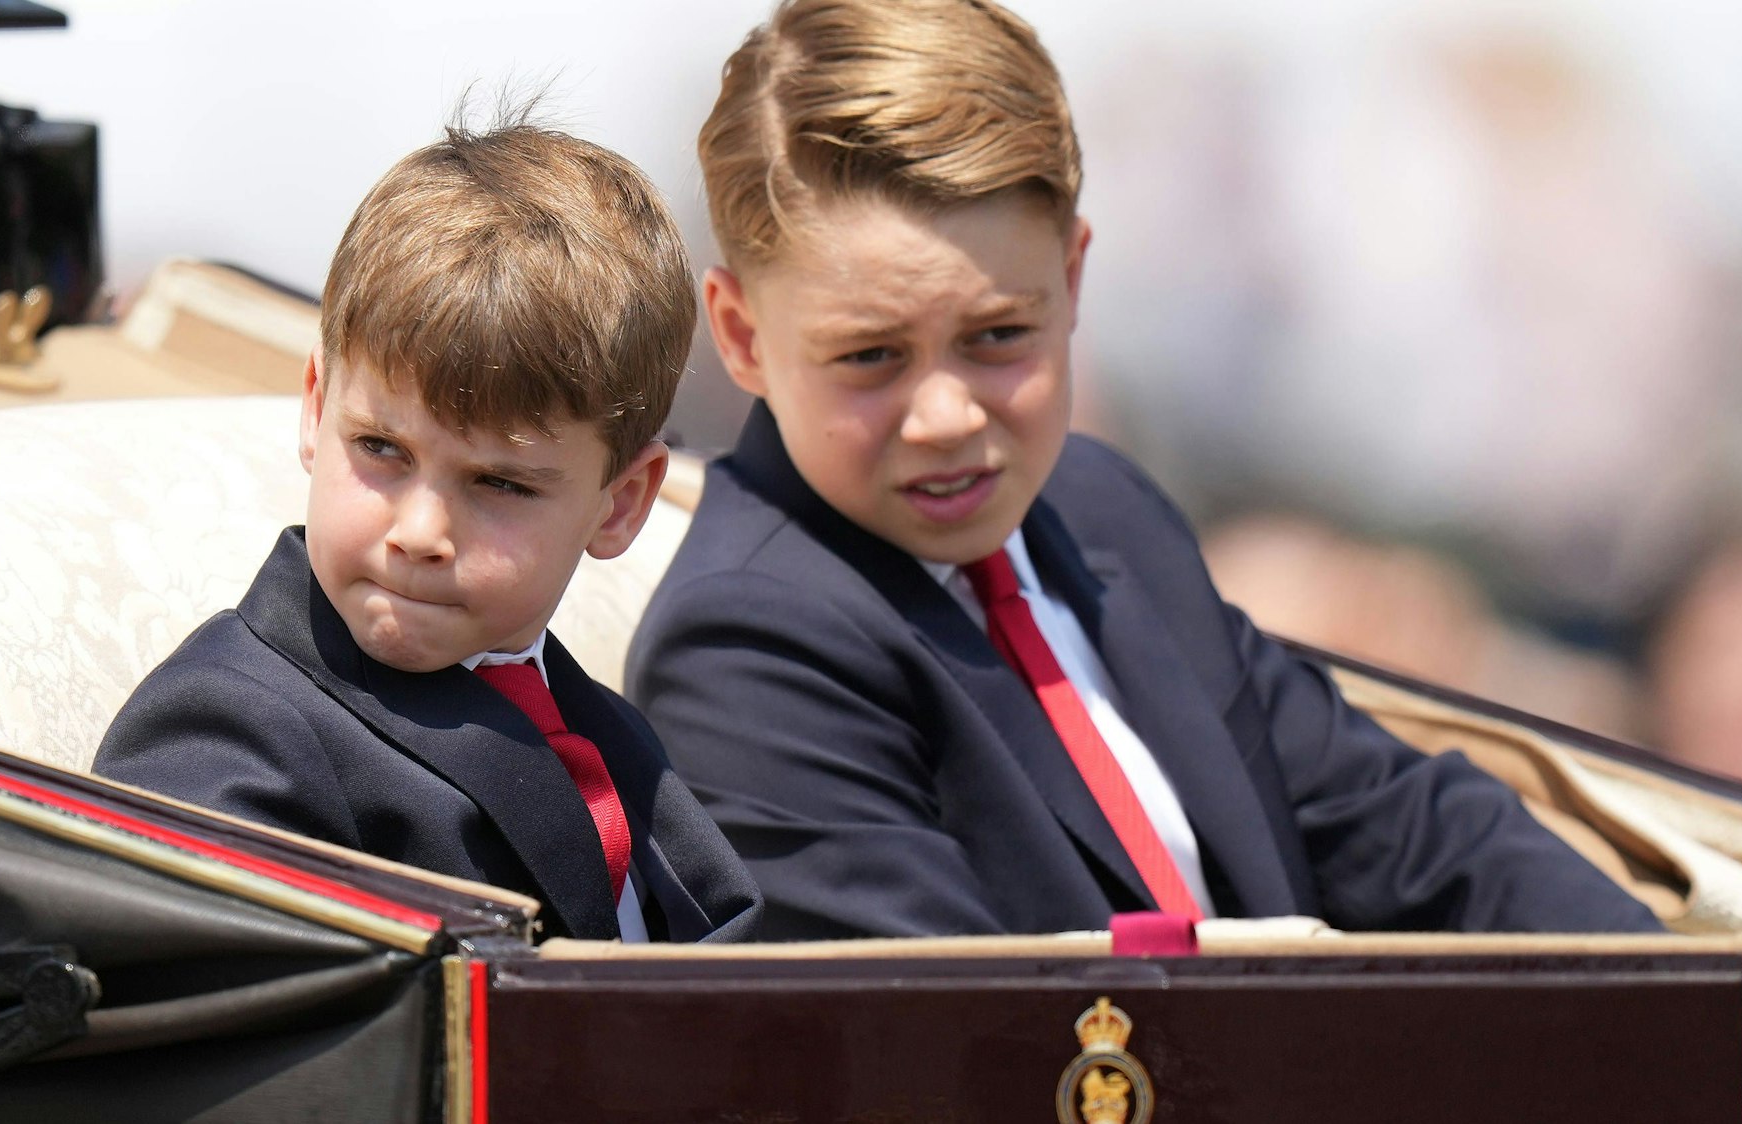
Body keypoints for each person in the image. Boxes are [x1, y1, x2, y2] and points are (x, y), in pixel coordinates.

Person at [625, 0, 1662, 940]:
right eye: (869, 356)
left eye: (996, 336)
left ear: (1071, 280)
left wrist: (1694, 1007)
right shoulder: (748, 645)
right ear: (742, 334)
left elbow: (1399, 823)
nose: (944, 415)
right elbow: (959, 1037)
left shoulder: (1097, 505)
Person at [96, 120, 761, 943]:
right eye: (381, 449)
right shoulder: (226, 733)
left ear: (618, 504)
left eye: (499, 483)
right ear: (315, 407)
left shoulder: (609, 730)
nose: (419, 531)